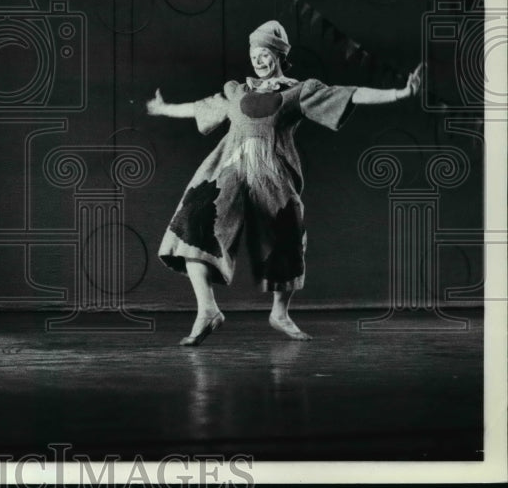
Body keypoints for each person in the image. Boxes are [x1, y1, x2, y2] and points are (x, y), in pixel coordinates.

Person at [146, 20, 422, 346]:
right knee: (194, 223)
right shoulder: (237, 90)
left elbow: (350, 94)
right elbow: (200, 108)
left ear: (278, 55)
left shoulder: (298, 91)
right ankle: (207, 310)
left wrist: (400, 92)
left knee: (287, 236)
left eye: (264, 54)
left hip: (272, 172)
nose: (258, 61)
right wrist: (164, 109)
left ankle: (279, 313)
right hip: (228, 167)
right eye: (254, 55)